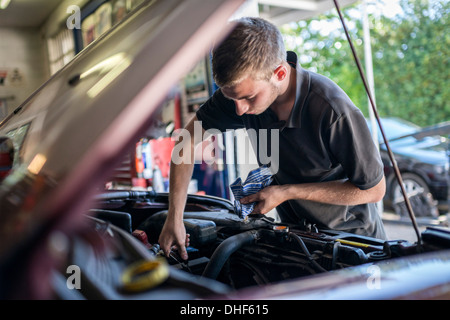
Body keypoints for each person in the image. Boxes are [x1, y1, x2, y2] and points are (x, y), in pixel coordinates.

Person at [159, 17, 387, 260]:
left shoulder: (332, 110)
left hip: (354, 247)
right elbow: (186, 142)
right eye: (231, 98)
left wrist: (286, 191)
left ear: (279, 73)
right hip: (298, 241)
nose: (238, 110)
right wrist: (175, 218)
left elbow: (374, 190)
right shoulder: (240, 96)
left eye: (248, 97)